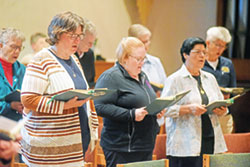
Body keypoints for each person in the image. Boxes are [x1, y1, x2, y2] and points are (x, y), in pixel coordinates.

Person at [20, 11, 98, 167]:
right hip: (49, 149)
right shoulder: (41, 60)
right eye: (72, 35)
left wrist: (92, 130)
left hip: (74, 144)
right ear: (58, 34)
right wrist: (64, 105)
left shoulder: (74, 58)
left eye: (79, 35)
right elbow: (28, 100)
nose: (77, 40)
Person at [94, 37, 164, 167]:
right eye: (138, 59)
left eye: (143, 59)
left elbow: (146, 102)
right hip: (122, 146)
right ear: (124, 57)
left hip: (145, 144)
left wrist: (156, 110)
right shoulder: (111, 76)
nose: (141, 63)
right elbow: (100, 106)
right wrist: (131, 114)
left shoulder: (142, 76)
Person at [161, 37, 227, 167]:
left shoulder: (210, 78)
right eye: (197, 52)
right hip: (185, 144)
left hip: (210, 138)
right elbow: (164, 109)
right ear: (185, 54)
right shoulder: (175, 79)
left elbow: (220, 101)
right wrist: (188, 109)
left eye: (204, 52)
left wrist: (222, 110)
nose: (202, 56)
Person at [202, 26, 236, 134]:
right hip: (204, 116)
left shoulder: (227, 64)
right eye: (218, 45)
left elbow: (233, 92)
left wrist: (228, 103)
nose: (220, 49)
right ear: (208, 43)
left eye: (223, 46)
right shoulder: (199, 63)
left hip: (224, 115)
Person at [128, 24, 167, 97]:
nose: (145, 46)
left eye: (147, 41)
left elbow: (165, 86)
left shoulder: (155, 61)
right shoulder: (124, 63)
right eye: (142, 42)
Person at [0, 28, 26, 121]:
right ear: (1, 45)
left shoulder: (22, 69)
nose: (17, 51)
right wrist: (10, 106)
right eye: (13, 47)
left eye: (19, 48)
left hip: (18, 123)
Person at [75, 19, 97, 88]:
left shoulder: (89, 54)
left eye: (93, 43)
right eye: (89, 43)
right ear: (79, 39)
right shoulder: (70, 54)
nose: (91, 46)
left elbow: (91, 80)